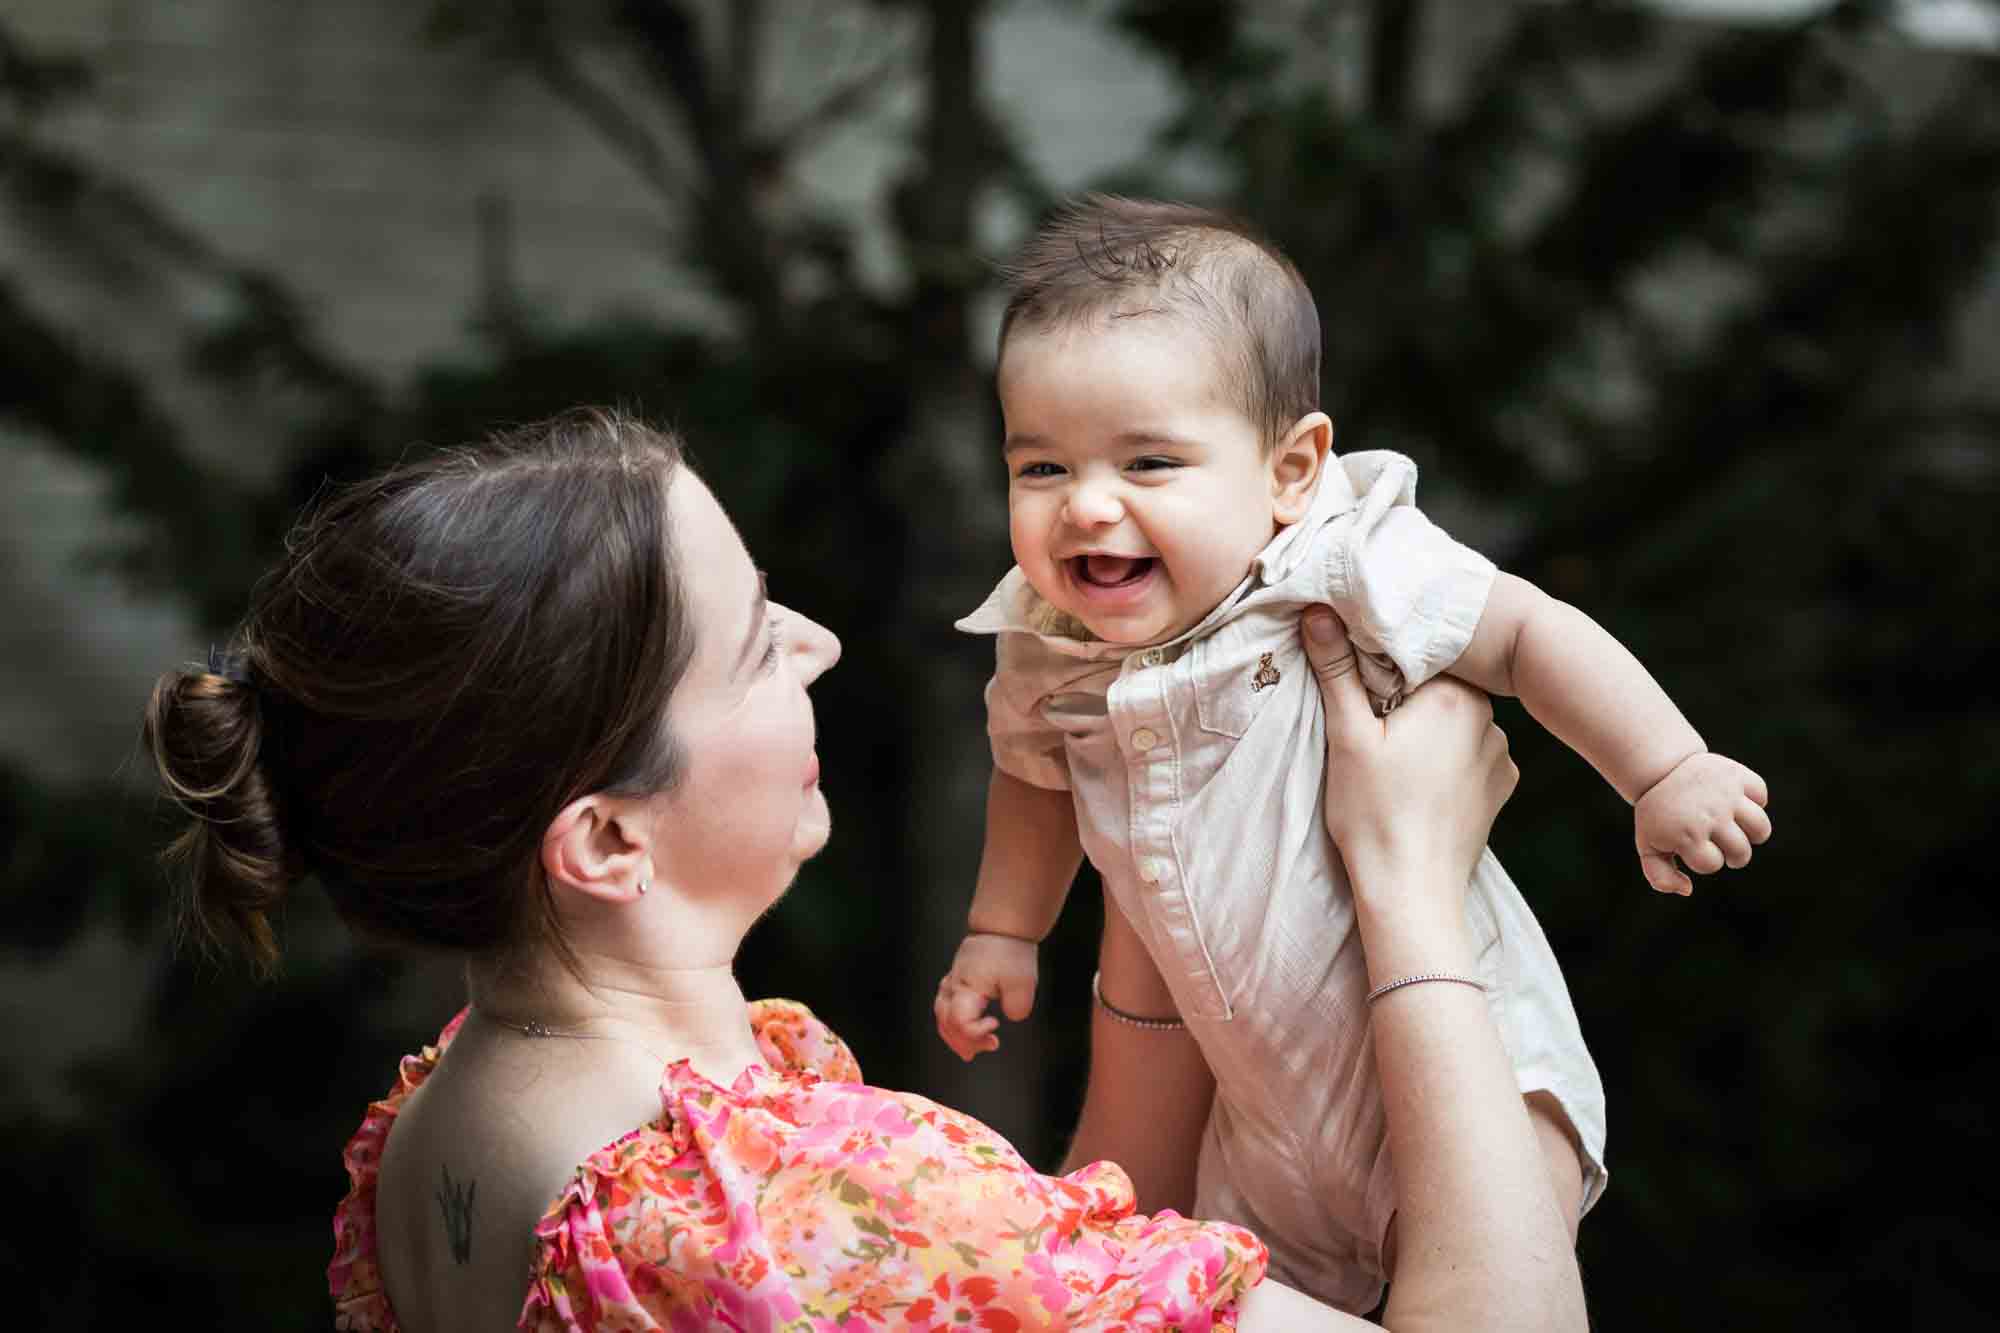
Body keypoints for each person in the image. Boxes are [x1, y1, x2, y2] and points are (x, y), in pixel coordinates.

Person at [143, 407, 1585, 1331]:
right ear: (605, 839)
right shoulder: (762, 1200)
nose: (820, 645)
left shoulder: (451, 1128)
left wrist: (1142, 888)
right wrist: (1407, 888)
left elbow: (1045, 1287)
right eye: (760, 638)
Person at [936, 194, 1773, 1311]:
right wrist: (1004, 927)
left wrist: (1662, 768)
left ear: (1288, 470)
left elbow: (1521, 631)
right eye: (1040, 469)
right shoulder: (1044, 642)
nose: (1085, 507)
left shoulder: (1338, 562)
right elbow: (1032, 778)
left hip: (1460, 1064)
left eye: (1147, 462)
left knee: (1490, 1268)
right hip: (1256, 1112)